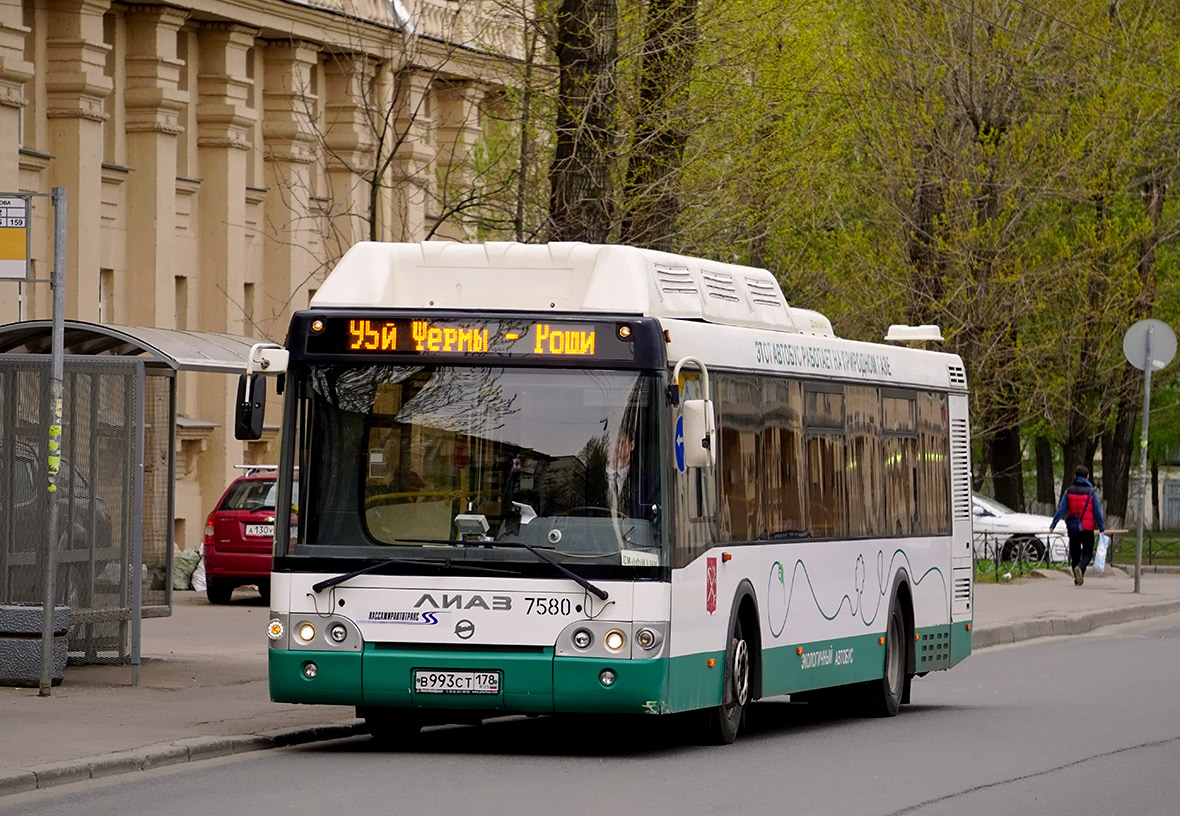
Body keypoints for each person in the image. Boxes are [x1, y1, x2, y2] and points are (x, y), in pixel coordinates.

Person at [1050, 465, 1105, 586]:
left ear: (1075, 476)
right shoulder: (1091, 492)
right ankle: (1080, 568)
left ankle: (1077, 576)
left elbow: (1061, 509)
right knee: (1087, 553)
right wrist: (1101, 527)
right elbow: (1097, 511)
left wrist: (1053, 524)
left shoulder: (1069, 491)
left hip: (1073, 528)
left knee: (1074, 553)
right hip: (1087, 528)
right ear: (1087, 477)